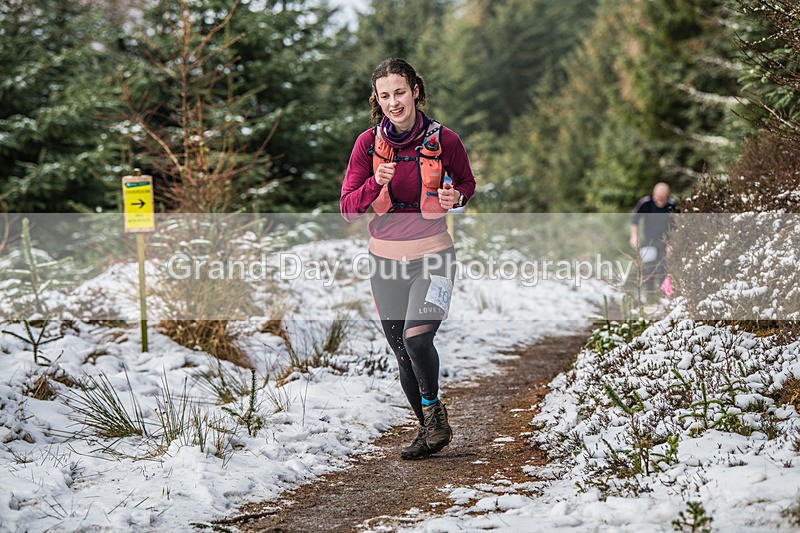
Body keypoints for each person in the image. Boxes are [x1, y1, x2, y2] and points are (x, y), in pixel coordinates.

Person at [340, 58, 475, 460]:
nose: (394, 102)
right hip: (384, 264)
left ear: (415, 91)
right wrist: (373, 184)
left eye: (400, 92)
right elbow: (348, 209)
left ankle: (433, 413)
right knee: (402, 352)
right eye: (385, 95)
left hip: (434, 256)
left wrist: (457, 196)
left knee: (417, 338)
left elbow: (466, 183)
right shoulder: (367, 145)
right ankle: (429, 426)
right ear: (376, 100)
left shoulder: (445, 140)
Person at [630, 182, 678, 298]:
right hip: (649, 241)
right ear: (654, 195)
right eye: (658, 198)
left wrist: (673, 244)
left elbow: (677, 225)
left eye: (663, 198)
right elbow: (635, 220)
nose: (660, 201)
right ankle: (649, 295)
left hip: (666, 242)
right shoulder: (646, 203)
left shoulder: (673, 205)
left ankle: (665, 296)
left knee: (664, 269)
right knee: (649, 268)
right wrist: (634, 236)